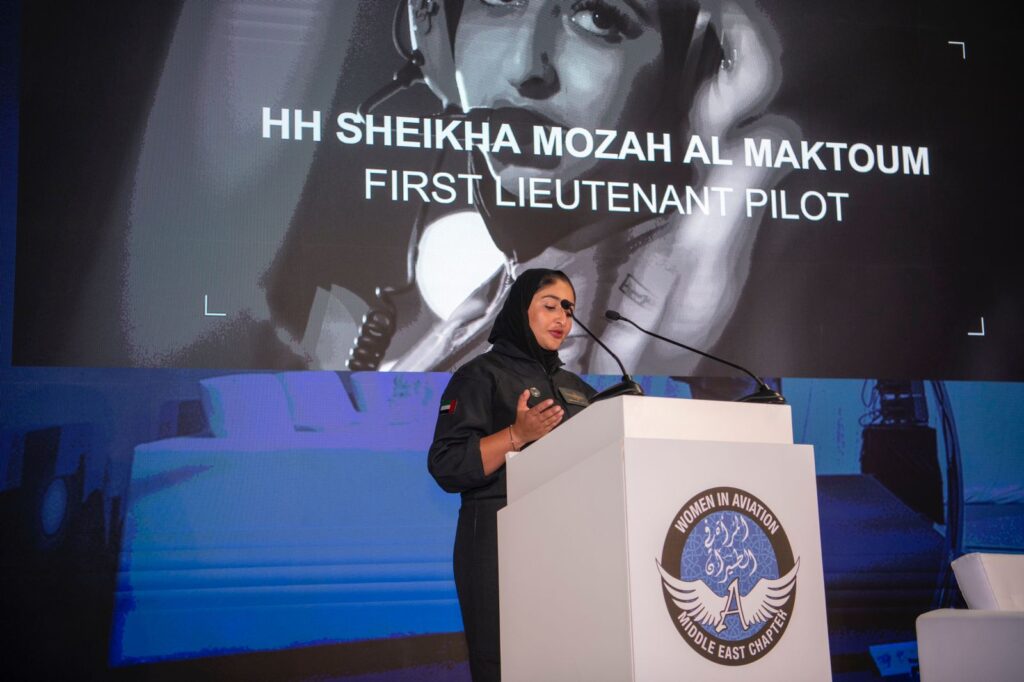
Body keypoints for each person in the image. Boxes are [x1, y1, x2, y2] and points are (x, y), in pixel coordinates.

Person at [375, 0, 798, 378]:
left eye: (599, 18)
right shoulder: (482, 313)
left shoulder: (650, 335)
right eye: (499, 0)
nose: (523, 67)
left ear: (692, 75)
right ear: (435, 33)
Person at [427, 268, 597, 681]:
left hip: (569, 545)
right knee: (503, 663)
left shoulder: (577, 387)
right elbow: (447, 464)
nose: (562, 318)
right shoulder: (479, 375)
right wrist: (516, 435)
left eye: (569, 309)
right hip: (498, 545)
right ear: (522, 310)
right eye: (550, 306)